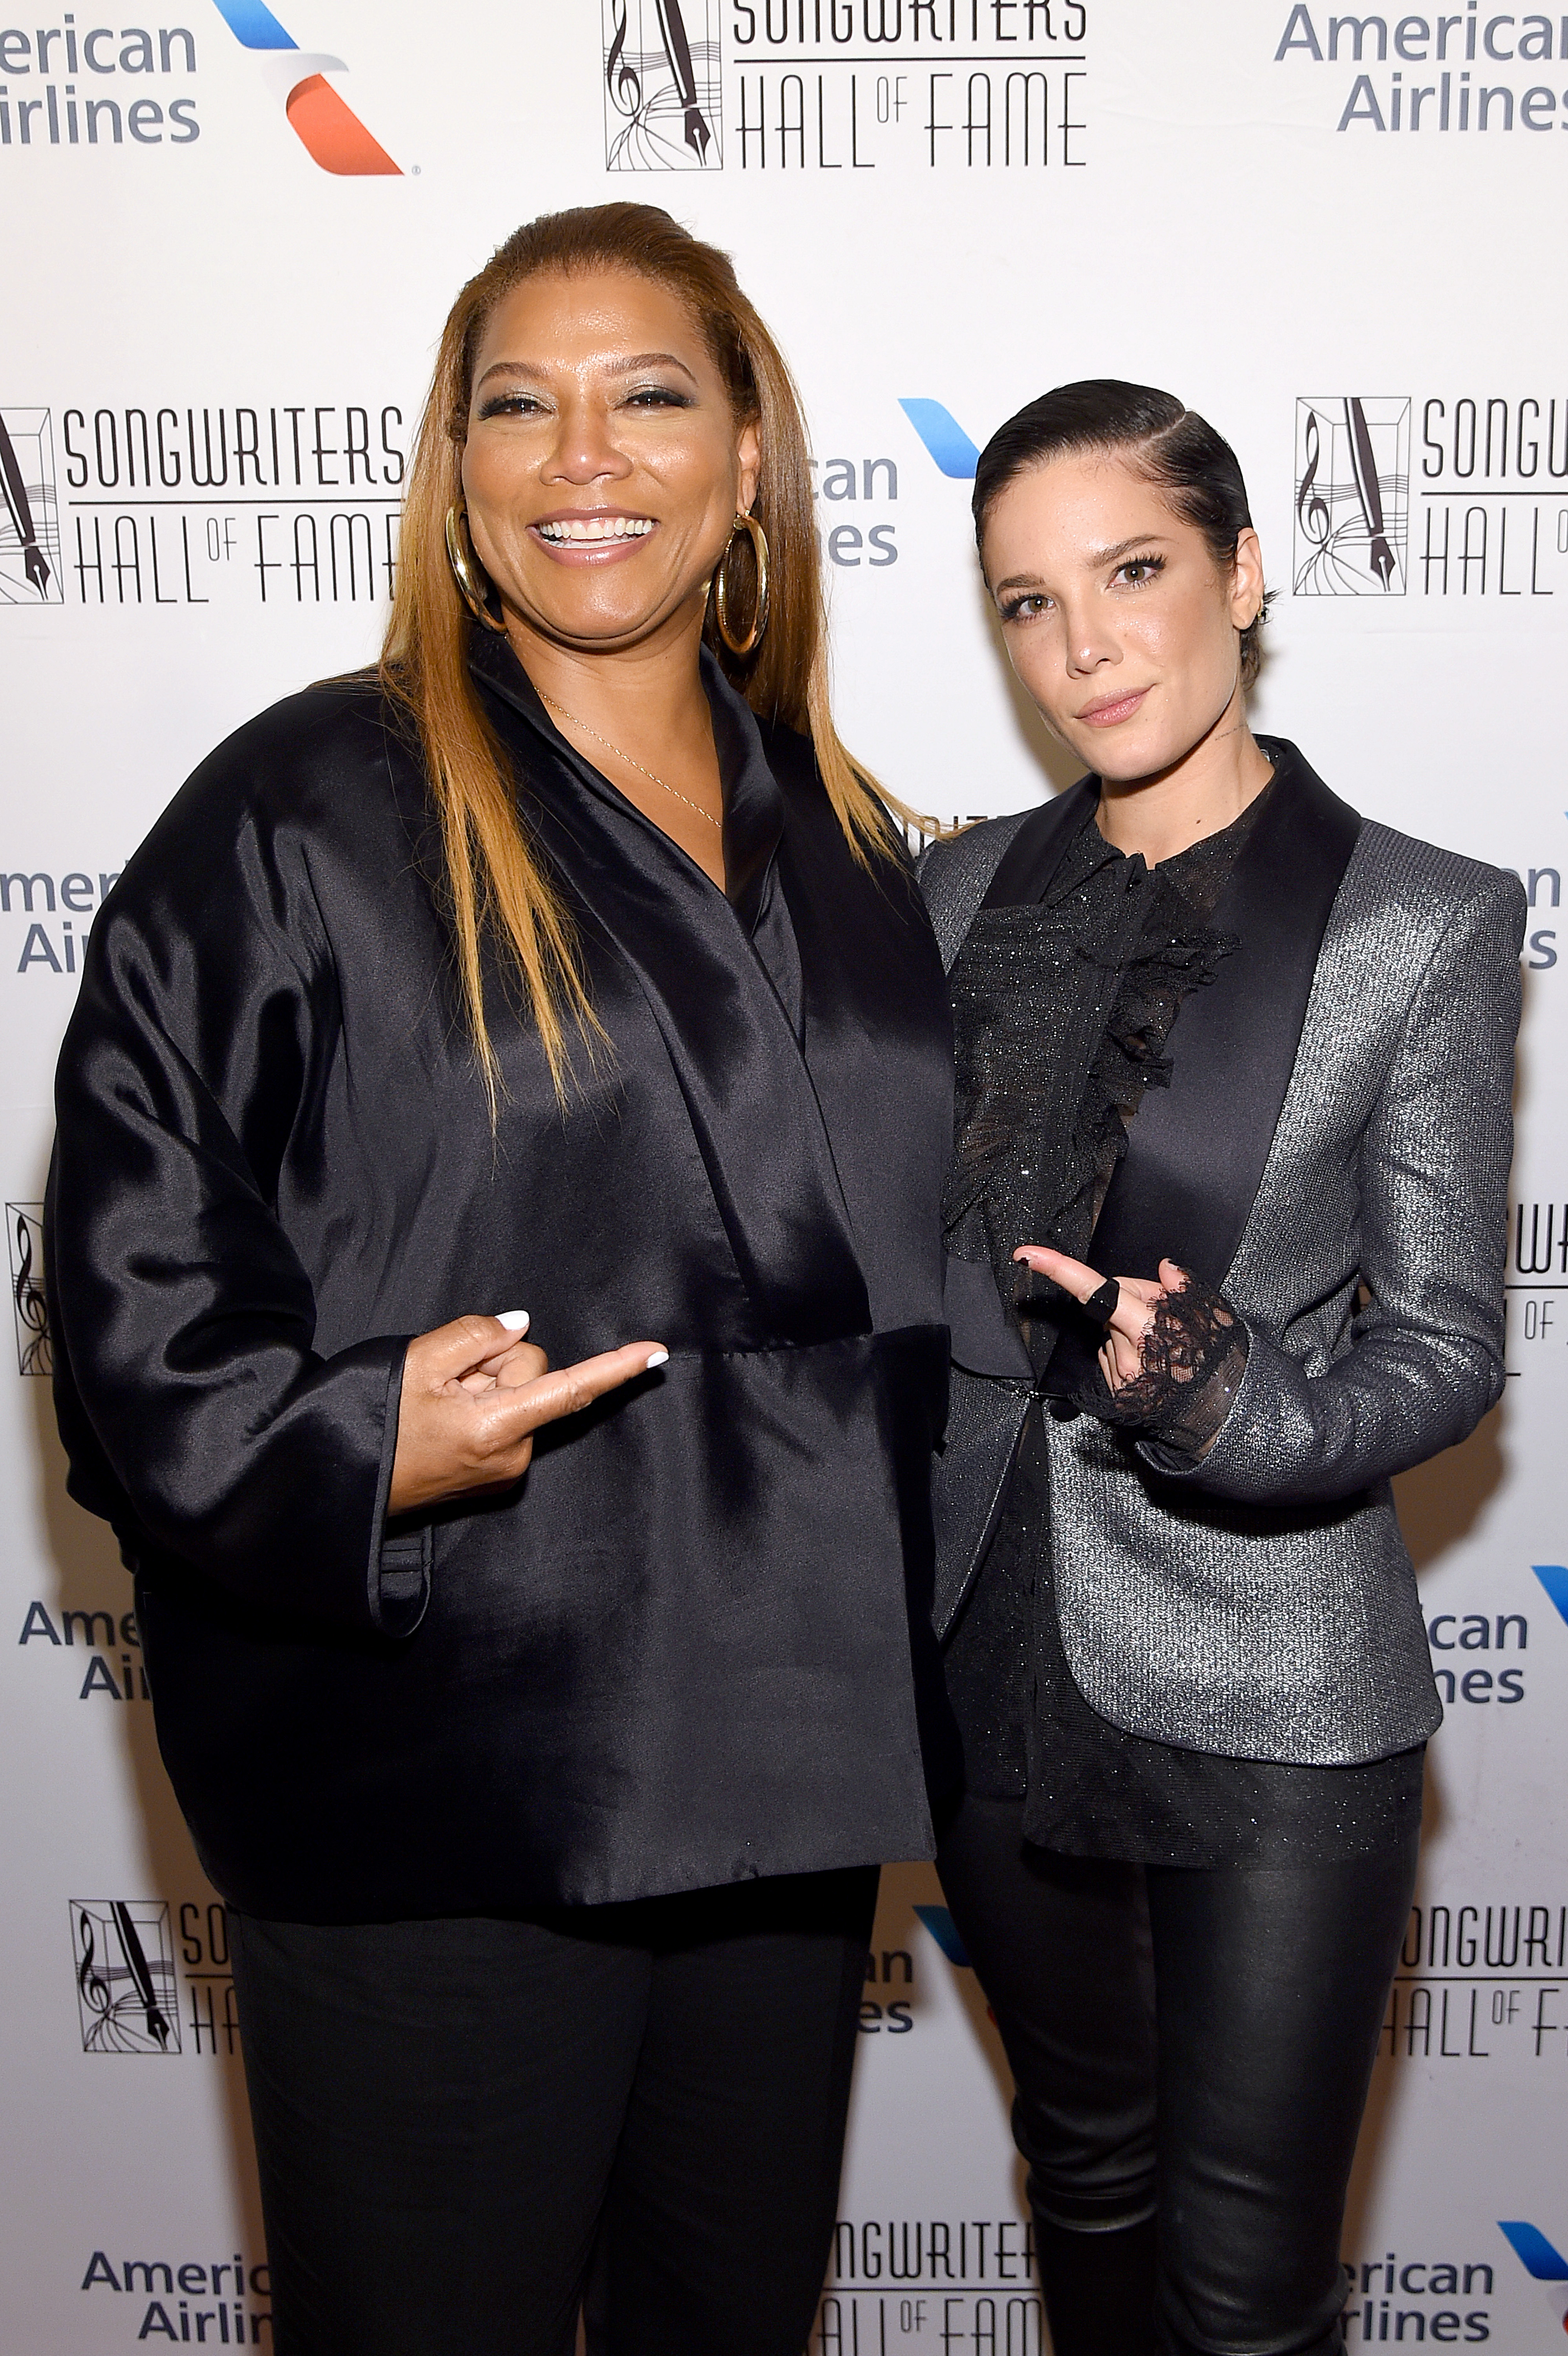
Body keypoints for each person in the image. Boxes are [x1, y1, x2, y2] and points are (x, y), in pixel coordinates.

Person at [46, 204, 957, 2356]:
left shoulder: (847, 841)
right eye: (515, 408)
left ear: (746, 464)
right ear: (454, 477)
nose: (584, 458)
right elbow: (127, 1287)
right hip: (450, 1772)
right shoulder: (296, 814)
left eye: (649, 396)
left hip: (782, 1773)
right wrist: (362, 1438)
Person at [918, 380, 1523, 2356]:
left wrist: (1231, 1404)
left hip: (1279, 1673)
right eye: (1026, 601)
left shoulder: (1421, 921)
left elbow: (1442, 1346)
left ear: (1245, 575)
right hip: (995, 1649)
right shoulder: (948, 902)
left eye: (1135, 572)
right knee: (1081, 2180)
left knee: (1249, 2286)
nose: (1083, 645)